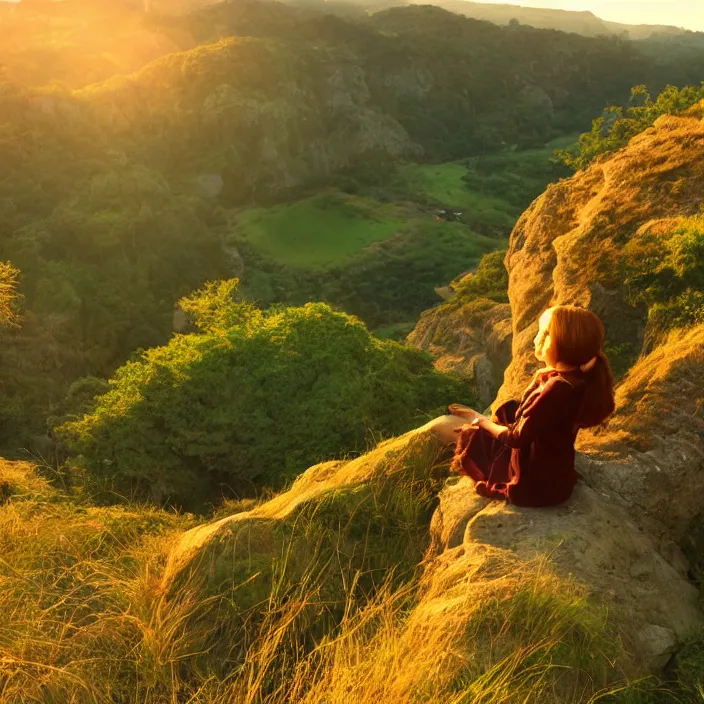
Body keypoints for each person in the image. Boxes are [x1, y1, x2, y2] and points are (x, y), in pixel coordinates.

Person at [424, 305, 616, 507]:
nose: (537, 338)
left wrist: (480, 420)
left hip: (535, 486)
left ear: (566, 343)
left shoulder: (558, 387)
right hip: (555, 478)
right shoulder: (576, 378)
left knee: (456, 431)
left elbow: (516, 437)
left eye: (546, 333)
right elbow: (527, 413)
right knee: (488, 421)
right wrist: (538, 378)